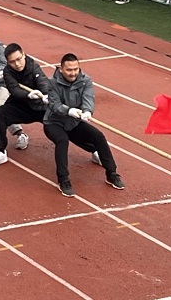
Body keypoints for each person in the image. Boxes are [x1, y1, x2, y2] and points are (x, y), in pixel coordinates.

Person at [43, 53, 124, 197]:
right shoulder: (52, 83)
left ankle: (112, 173)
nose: (73, 73)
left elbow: (88, 98)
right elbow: (54, 104)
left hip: (74, 122)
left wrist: (87, 111)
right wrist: (68, 110)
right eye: (69, 70)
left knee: (98, 136)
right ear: (61, 69)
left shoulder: (86, 81)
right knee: (62, 140)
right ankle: (63, 180)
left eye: (76, 69)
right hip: (54, 122)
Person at [0, 43, 49, 168]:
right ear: (8, 62)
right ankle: (0, 151)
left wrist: (46, 94)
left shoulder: (33, 66)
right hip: (22, 106)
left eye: (19, 59)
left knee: (63, 126)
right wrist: (28, 95)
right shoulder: (8, 72)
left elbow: (43, 81)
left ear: (24, 55)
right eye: (12, 62)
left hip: (41, 107)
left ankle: (90, 145)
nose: (17, 64)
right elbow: (14, 90)